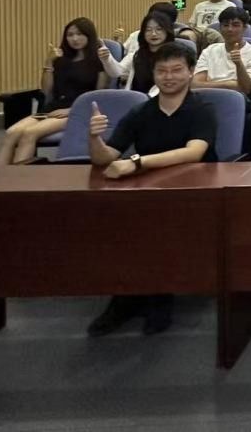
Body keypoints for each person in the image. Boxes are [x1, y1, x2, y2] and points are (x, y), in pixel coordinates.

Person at [85, 42, 217, 336]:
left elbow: (194, 152)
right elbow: (105, 157)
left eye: (176, 70)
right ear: (154, 74)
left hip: (196, 191)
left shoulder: (202, 109)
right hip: (150, 189)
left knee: (158, 224)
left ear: (191, 72)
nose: (169, 77)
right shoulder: (141, 112)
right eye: (162, 71)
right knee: (120, 221)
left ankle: (157, 296)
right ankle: (127, 297)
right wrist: (95, 138)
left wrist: (136, 162)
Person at [0, 17, 108, 165]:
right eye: (70, 35)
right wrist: (49, 62)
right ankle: (0, 177)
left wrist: (71, 110)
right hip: (54, 108)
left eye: (80, 34)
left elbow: (99, 96)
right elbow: (46, 90)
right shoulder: (61, 59)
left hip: (79, 110)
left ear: (89, 35)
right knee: (11, 133)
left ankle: (21, 178)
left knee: (30, 133)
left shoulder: (99, 60)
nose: (75, 39)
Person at [192, 6, 251, 94]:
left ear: (245, 28)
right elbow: (195, 85)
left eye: (235, 25)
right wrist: (230, 84)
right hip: (206, 96)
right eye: (225, 25)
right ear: (220, 28)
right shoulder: (210, 50)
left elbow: (248, 89)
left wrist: (239, 64)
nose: (230, 29)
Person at [100, 12, 173, 95]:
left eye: (158, 29)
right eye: (148, 30)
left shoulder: (174, 57)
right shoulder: (137, 54)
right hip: (134, 99)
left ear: (167, 31)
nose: (153, 33)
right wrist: (107, 59)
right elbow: (116, 72)